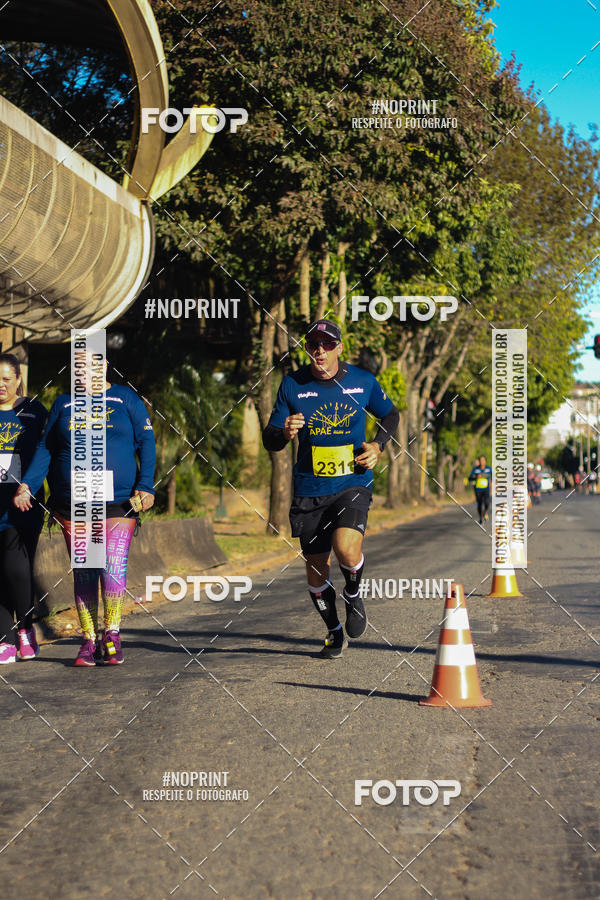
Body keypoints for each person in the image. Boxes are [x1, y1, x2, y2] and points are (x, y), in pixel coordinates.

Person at [262, 319, 399, 659]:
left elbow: (390, 415)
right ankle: (334, 631)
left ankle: (353, 591)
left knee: (346, 548)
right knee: (315, 569)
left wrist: (378, 446)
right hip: (310, 489)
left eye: (326, 343)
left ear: (339, 347)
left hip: (352, 481)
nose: (319, 349)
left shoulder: (362, 381)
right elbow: (270, 439)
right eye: (313, 343)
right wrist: (285, 432)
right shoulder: (292, 385)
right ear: (307, 348)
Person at [14, 353, 156, 666]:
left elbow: (147, 440)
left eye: (92, 364)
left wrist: (146, 485)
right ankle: (89, 640)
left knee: (112, 566)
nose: (85, 371)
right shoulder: (64, 403)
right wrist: (28, 485)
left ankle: (112, 633)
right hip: (74, 502)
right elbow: (46, 449)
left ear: (104, 366)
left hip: (118, 501)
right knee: (86, 570)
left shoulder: (125, 398)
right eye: (79, 366)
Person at [0, 354, 47, 664]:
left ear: (18, 379)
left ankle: (25, 628)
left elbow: (49, 452)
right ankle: (4, 637)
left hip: (24, 500)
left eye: (6, 378)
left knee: (18, 568)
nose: (1, 384)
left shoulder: (34, 411)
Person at [468, 455, 492, 524]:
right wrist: (476, 478)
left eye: (483, 460)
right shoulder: (476, 469)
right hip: (478, 489)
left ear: (485, 461)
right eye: (480, 461)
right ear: (479, 461)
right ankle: (481, 517)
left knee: (487, 503)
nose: (482, 462)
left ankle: (484, 513)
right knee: (479, 504)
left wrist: (492, 482)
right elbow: (469, 478)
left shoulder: (488, 469)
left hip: (486, 489)